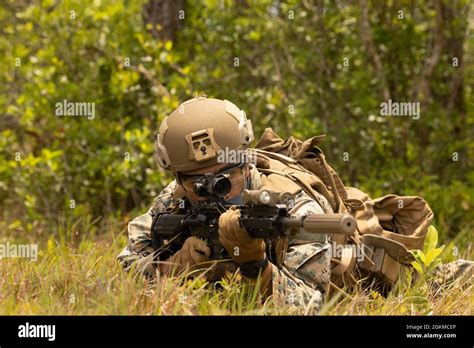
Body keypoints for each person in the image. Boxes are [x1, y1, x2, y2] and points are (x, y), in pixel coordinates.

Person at [118, 96, 334, 313]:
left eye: (225, 178)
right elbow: (125, 266)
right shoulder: (175, 200)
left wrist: (256, 265)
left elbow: (311, 305)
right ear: (179, 181)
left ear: (247, 166)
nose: (213, 192)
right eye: (197, 184)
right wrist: (170, 267)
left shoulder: (293, 209)